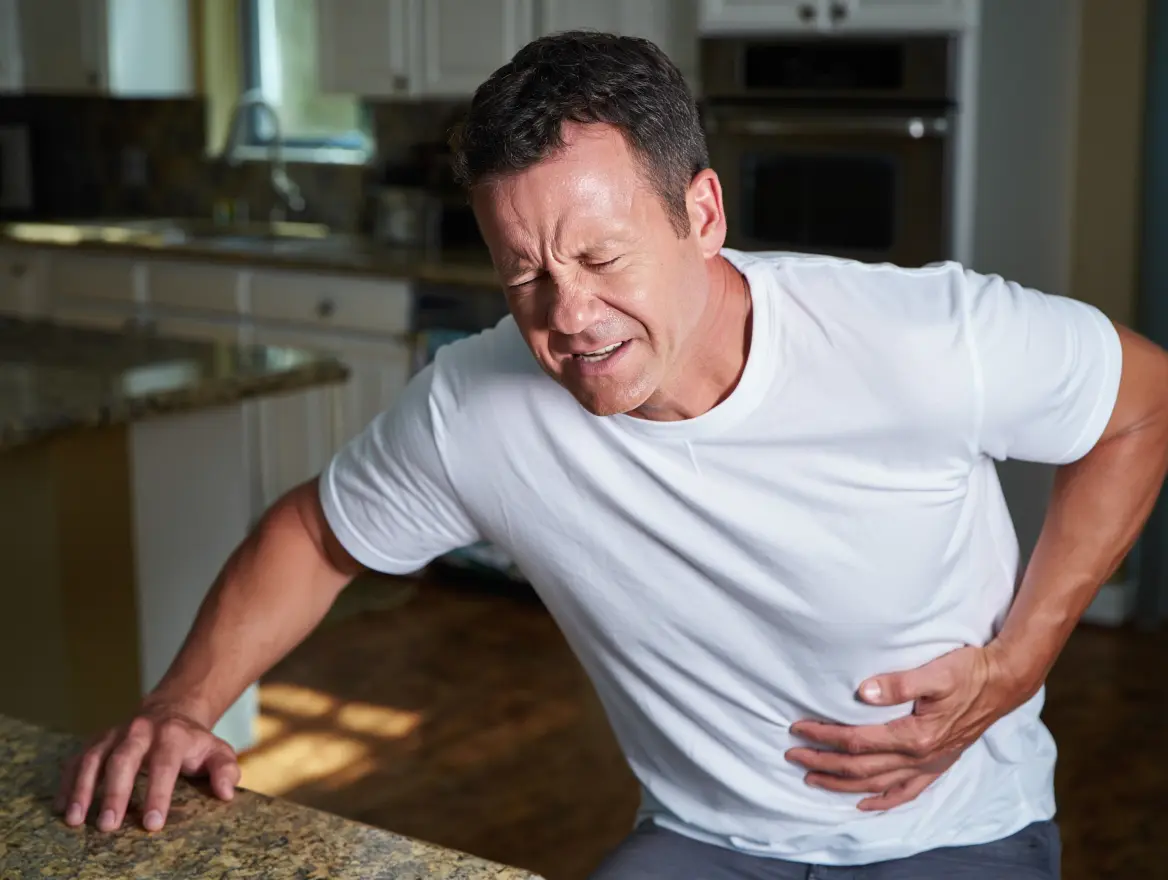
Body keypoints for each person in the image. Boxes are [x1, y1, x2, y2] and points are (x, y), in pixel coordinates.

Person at [57, 31, 1168, 879]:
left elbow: (1143, 404)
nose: (570, 315)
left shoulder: (922, 339)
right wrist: (182, 702)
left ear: (702, 213)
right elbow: (316, 532)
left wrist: (1018, 663)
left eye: (601, 257)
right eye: (524, 273)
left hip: (955, 832)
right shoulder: (477, 405)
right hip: (703, 838)